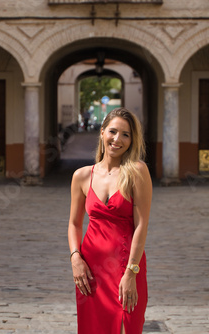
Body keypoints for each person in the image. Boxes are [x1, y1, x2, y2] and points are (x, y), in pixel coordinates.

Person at [68, 108, 152, 334]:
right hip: (90, 271)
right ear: (102, 132)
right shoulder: (82, 176)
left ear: (132, 140)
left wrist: (131, 272)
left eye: (125, 134)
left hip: (126, 267)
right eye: (113, 131)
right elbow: (75, 224)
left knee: (127, 327)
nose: (117, 139)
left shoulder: (137, 172)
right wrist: (76, 258)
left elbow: (142, 224)